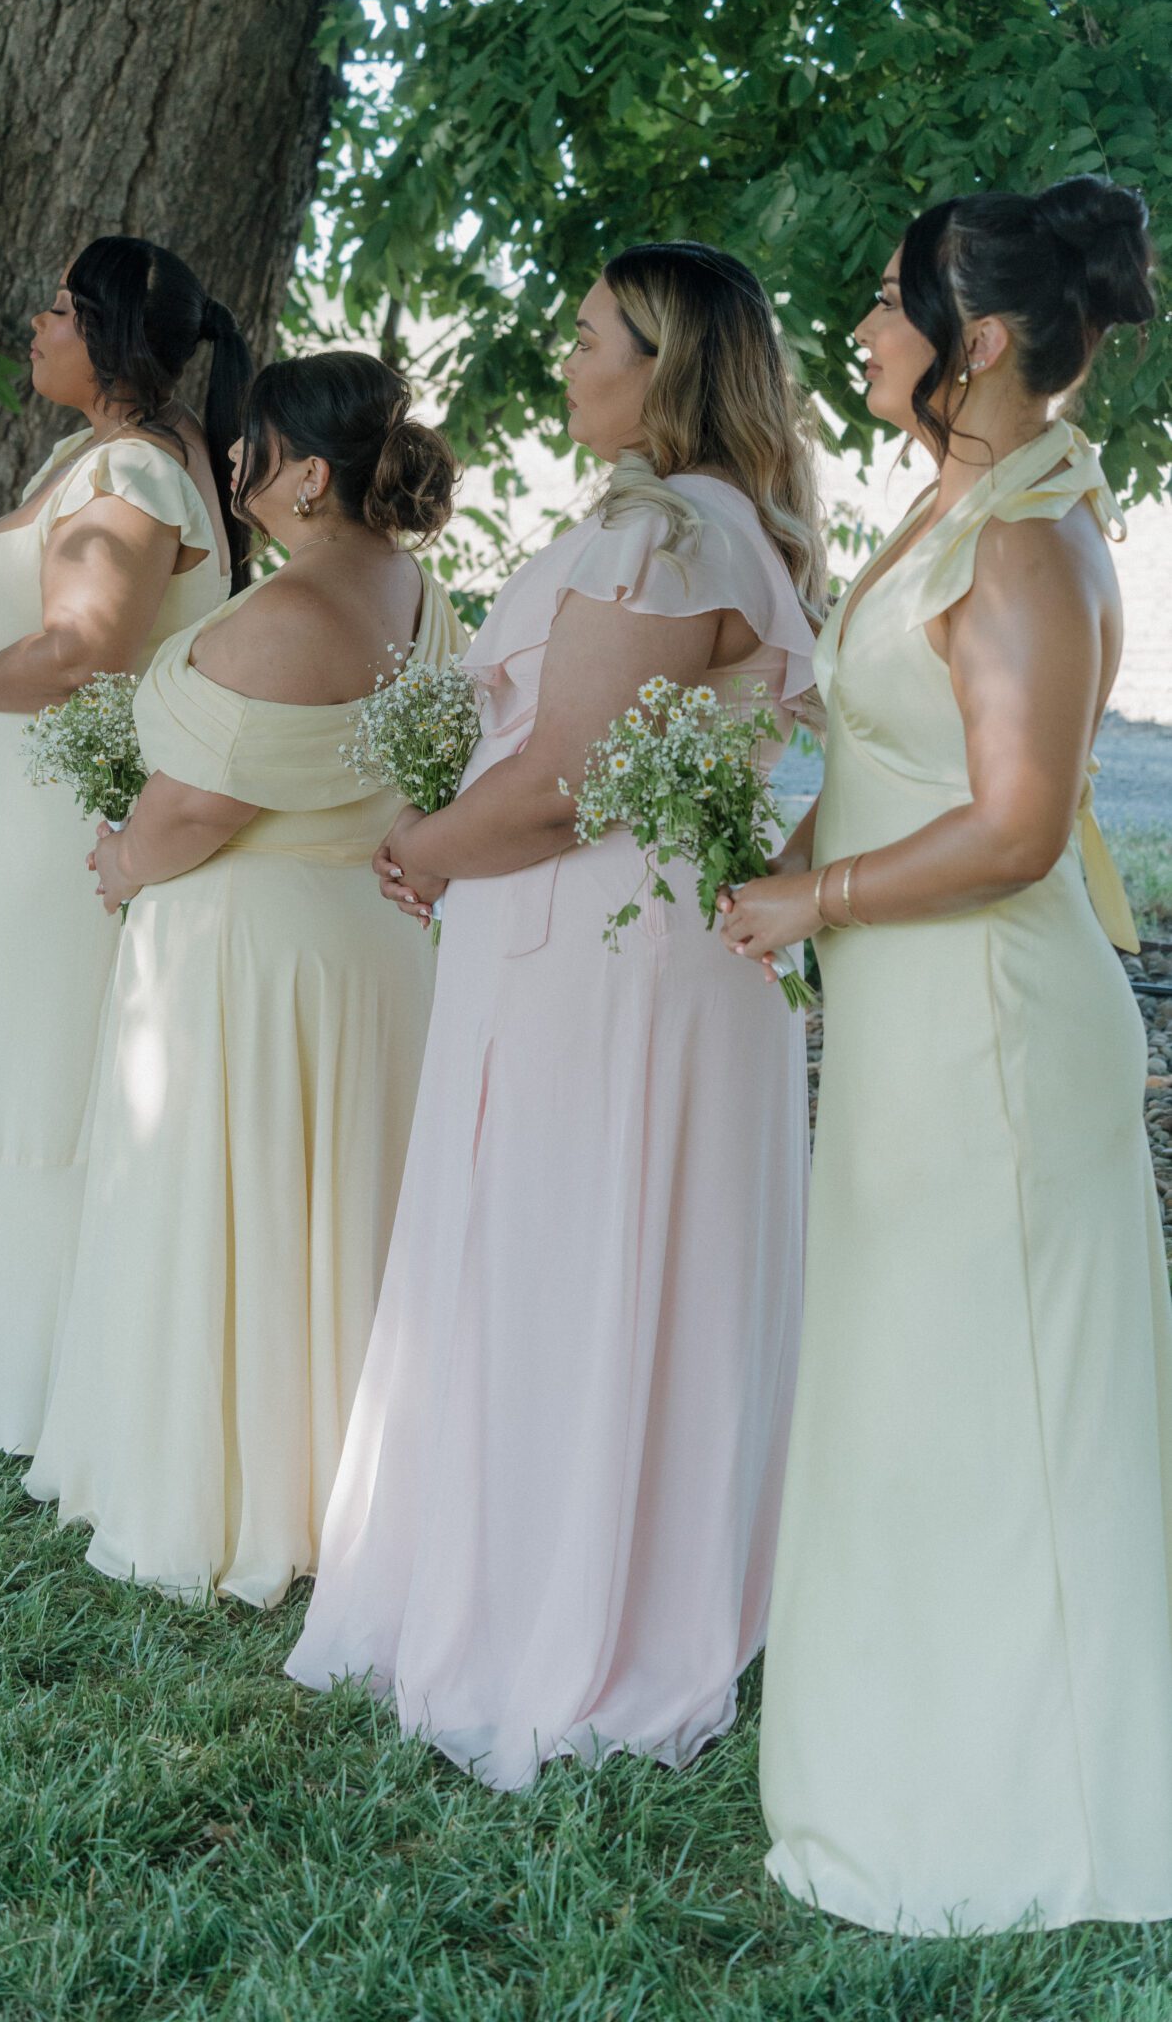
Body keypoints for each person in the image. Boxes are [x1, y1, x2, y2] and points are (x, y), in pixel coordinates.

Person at [287, 242, 824, 1787]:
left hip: (601, 956)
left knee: (569, 1253)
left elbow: (564, 780)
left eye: (592, 335)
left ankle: (569, 1614)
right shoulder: (683, 528)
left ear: (661, 364)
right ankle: (534, 1566)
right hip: (599, 937)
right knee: (575, 1252)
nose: (566, 354)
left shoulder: (664, 538)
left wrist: (416, 849)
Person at [719, 179, 1172, 1933]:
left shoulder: (1030, 544)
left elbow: (1012, 827)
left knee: (992, 1395)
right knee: (907, 1384)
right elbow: (891, 749)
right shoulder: (939, 508)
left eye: (888, 305)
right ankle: (901, 1750)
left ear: (975, 340)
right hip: (909, 1019)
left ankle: (1024, 1809)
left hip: (990, 1025)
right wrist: (779, 872)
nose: (859, 329)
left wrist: (814, 895)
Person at [27, 353, 465, 1606]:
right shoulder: (418, 594)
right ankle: (340, 1479)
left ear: (311, 474)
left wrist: (117, 861)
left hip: (249, 952)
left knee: (234, 1204)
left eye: (254, 446)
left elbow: (196, 811)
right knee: (333, 1210)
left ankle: (225, 1492)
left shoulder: (284, 615)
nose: (232, 461)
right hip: (363, 943)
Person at [0, 239, 252, 1456]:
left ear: (114, 335)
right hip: (26, 808)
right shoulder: (89, 458)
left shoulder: (135, 471)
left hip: (64, 818)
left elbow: (85, 644)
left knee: (45, 1063)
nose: (34, 323)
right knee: (13, 1051)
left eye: (59, 308)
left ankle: (46, 1372)